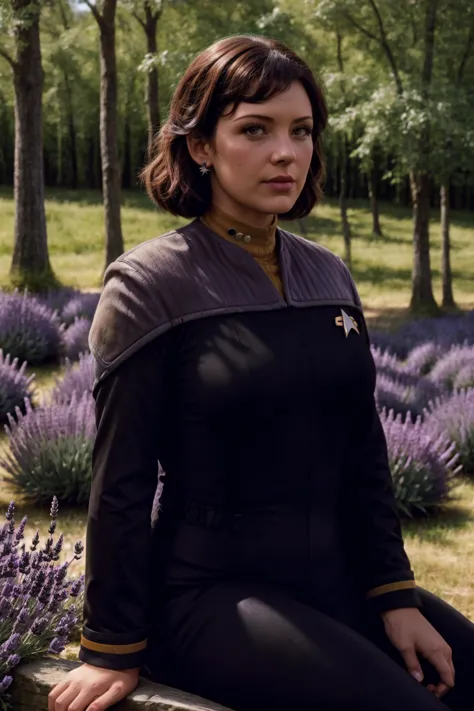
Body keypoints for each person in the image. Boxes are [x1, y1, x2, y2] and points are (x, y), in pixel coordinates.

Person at [48, 35, 474, 711]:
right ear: (200, 147)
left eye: (301, 131)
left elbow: (364, 452)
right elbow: (120, 481)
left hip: (336, 579)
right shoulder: (149, 285)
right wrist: (111, 645)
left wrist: (393, 594)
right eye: (255, 129)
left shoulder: (329, 275)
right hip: (211, 595)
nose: (286, 152)